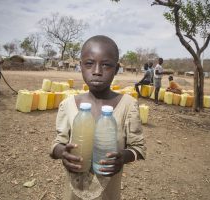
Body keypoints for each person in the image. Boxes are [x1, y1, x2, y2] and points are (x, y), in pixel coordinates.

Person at [50, 35, 146, 200]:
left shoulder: (128, 105)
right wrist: (62, 153)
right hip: (73, 194)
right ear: (80, 66)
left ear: (116, 69)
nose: (96, 71)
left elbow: (138, 148)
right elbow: (57, 144)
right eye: (89, 63)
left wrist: (123, 157)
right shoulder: (68, 105)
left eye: (106, 65)